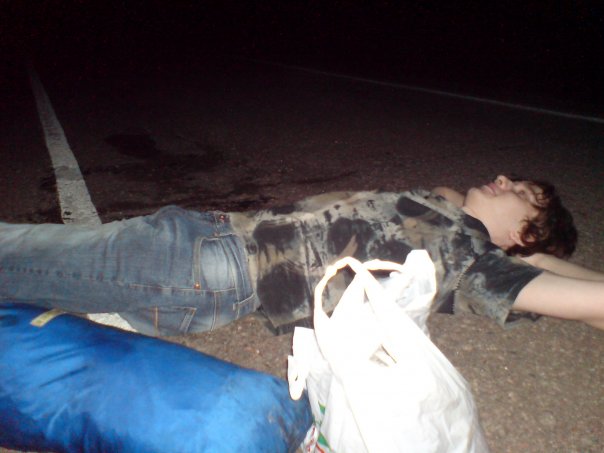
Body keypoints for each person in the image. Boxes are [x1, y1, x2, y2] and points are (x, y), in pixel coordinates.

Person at [0, 175, 602, 336]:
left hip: (208, 268)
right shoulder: (448, 213)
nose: (504, 179)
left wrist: (536, 262)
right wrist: (533, 255)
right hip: (203, 245)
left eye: (524, 193)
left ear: (523, 237)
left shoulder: (475, 262)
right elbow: (451, 195)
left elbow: (589, 300)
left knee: (15, 253)